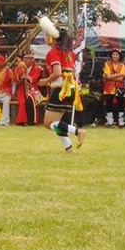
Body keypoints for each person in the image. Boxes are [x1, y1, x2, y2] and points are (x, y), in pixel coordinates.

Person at [39, 18, 84, 152]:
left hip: (61, 89)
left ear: (53, 38)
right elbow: (73, 70)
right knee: (56, 122)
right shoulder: (68, 51)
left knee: (49, 123)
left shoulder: (53, 52)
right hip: (70, 89)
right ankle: (69, 149)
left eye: (47, 35)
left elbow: (58, 72)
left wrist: (45, 81)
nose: (46, 38)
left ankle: (78, 132)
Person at [101, 50, 125, 127]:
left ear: (119, 56)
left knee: (121, 105)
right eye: (113, 54)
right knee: (109, 105)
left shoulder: (122, 65)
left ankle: (121, 121)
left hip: (119, 87)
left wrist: (111, 77)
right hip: (109, 88)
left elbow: (121, 78)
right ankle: (110, 121)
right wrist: (119, 74)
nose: (115, 56)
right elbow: (108, 76)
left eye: (116, 54)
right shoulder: (107, 64)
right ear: (111, 56)